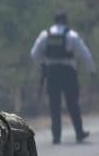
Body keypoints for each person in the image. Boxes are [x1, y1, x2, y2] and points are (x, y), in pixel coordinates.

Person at [30, 11, 96, 144]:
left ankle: (56, 136)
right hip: (68, 73)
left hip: (52, 73)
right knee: (73, 103)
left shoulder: (45, 35)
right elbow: (85, 55)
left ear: (54, 21)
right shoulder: (72, 35)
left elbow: (34, 54)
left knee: (54, 105)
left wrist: (42, 65)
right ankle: (79, 132)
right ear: (66, 21)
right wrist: (92, 71)